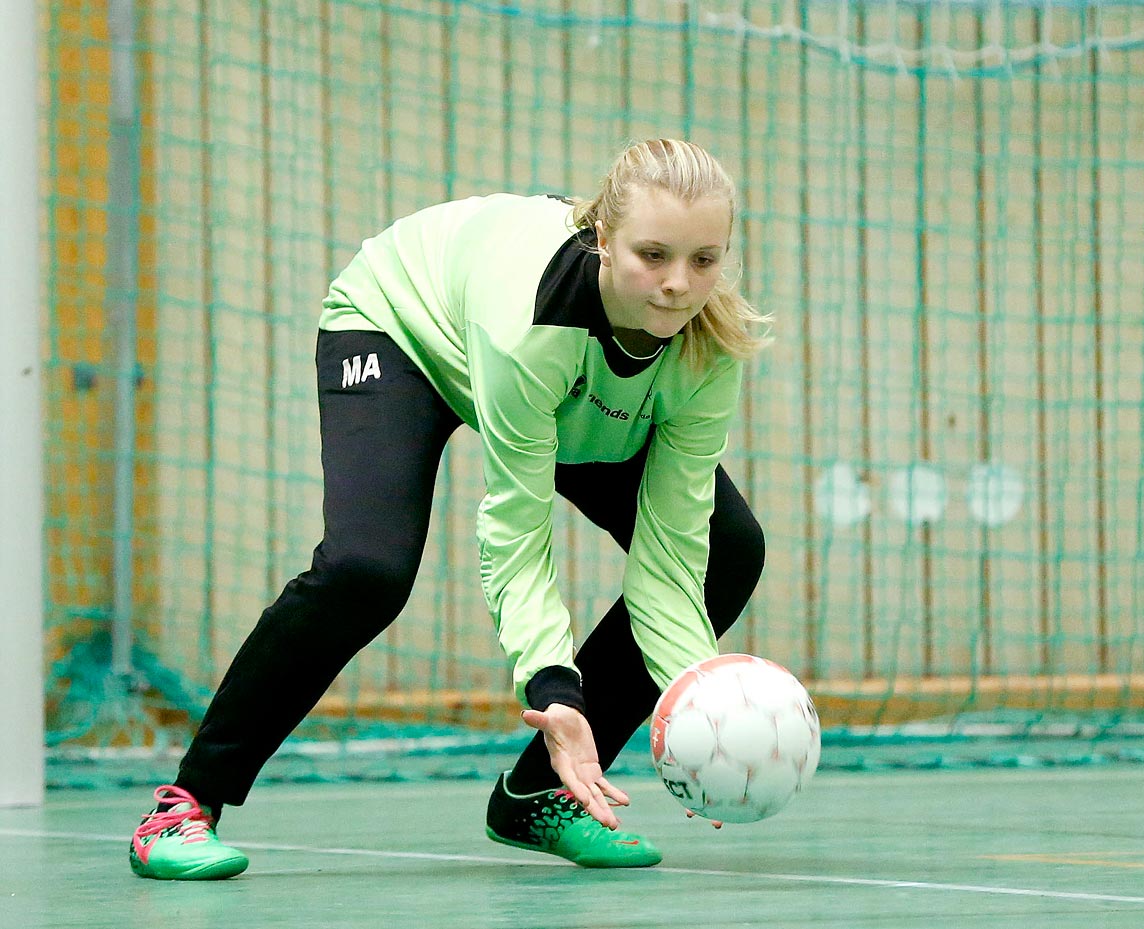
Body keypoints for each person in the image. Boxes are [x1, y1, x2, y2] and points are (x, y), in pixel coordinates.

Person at [128, 139, 772, 879]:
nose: (676, 285)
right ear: (601, 239)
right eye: (651, 254)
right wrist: (552, 687)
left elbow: (672, 557)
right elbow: (518, 531)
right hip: (402, 324)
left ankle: (536, 795)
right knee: (365, 569)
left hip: (561, 391)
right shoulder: (531, 323)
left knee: (728, 547)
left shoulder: (710, 344)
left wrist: (703, 717)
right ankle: (184, 802)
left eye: (703, 260)